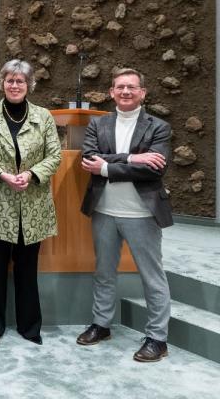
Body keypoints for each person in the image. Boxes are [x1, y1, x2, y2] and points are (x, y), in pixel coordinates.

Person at [77, 68, 173, 363]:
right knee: (104, 272)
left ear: (143, 92)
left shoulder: (159, 127)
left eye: (132, 87)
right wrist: (132, 157)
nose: (126, 91)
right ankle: (101, 324)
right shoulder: (98, 124)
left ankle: (158, 338)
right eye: (120, 87)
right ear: (111, 92)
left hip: (141, 213)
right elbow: (87, 158)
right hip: (104, 210)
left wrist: (106, 168)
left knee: (151, 276)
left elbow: (154, 168)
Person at [0, 59, 61, 345]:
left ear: (29, 85)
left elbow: (54, 156)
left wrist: (32, 174)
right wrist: (3, 175)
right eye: (9, 80)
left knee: (27, 269)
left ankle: (29, 326)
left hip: (31, 204)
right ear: (3, 83)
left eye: (20, 81)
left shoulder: (43, 117)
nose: (14, 85)